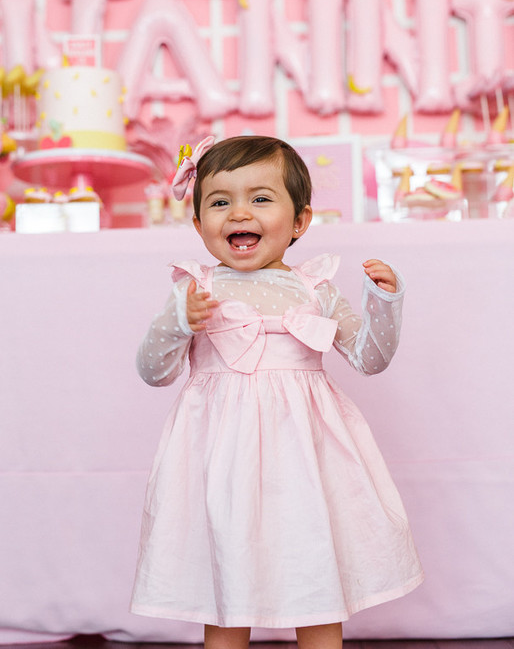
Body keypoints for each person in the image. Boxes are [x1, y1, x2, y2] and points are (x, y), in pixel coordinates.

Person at [130, 135, 424, 649]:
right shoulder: (195, 289)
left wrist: (384, 302)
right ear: (198, 225)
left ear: (300, 222)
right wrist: (177, 321)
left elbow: (369, 359)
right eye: (220, 202)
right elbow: (153, 372)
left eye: (261, 198)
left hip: (305, 457)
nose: (239, 213)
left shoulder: (315, 289)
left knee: (314, 570)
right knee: (225, 578)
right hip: (221, 459)